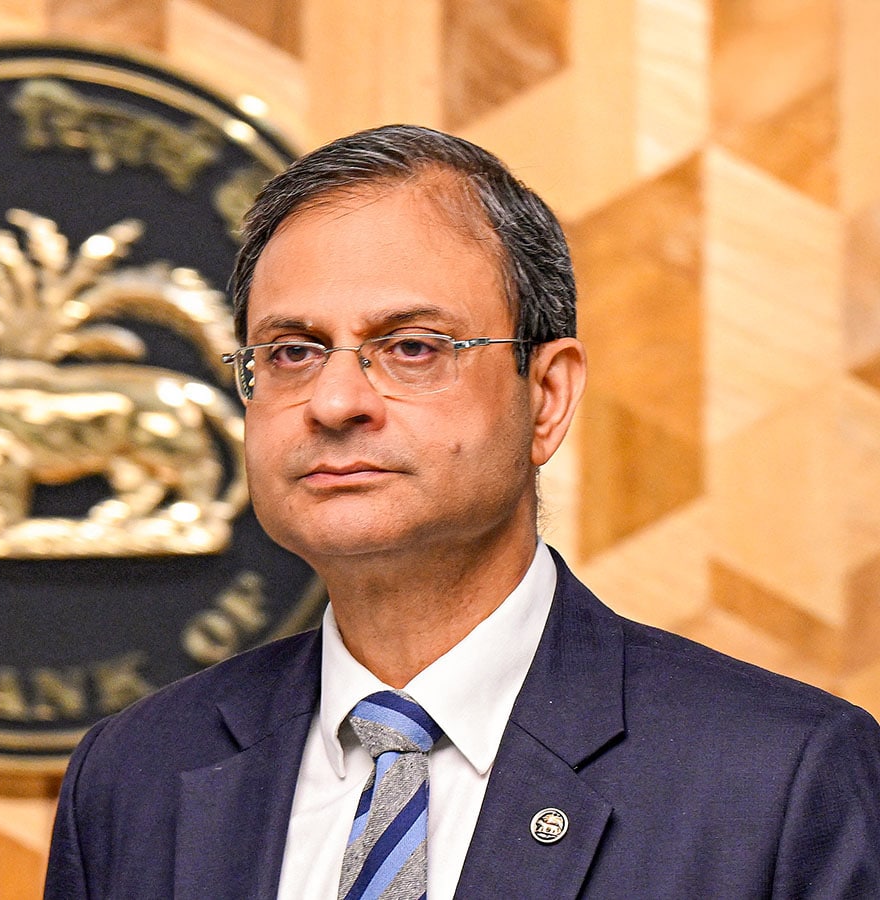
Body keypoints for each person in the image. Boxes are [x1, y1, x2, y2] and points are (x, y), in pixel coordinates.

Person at [44, 125, 880, 898]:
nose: (335, 400)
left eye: (411, 347)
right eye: (293, 351)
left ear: (546, 398)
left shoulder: (776, 779)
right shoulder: (136, 774)